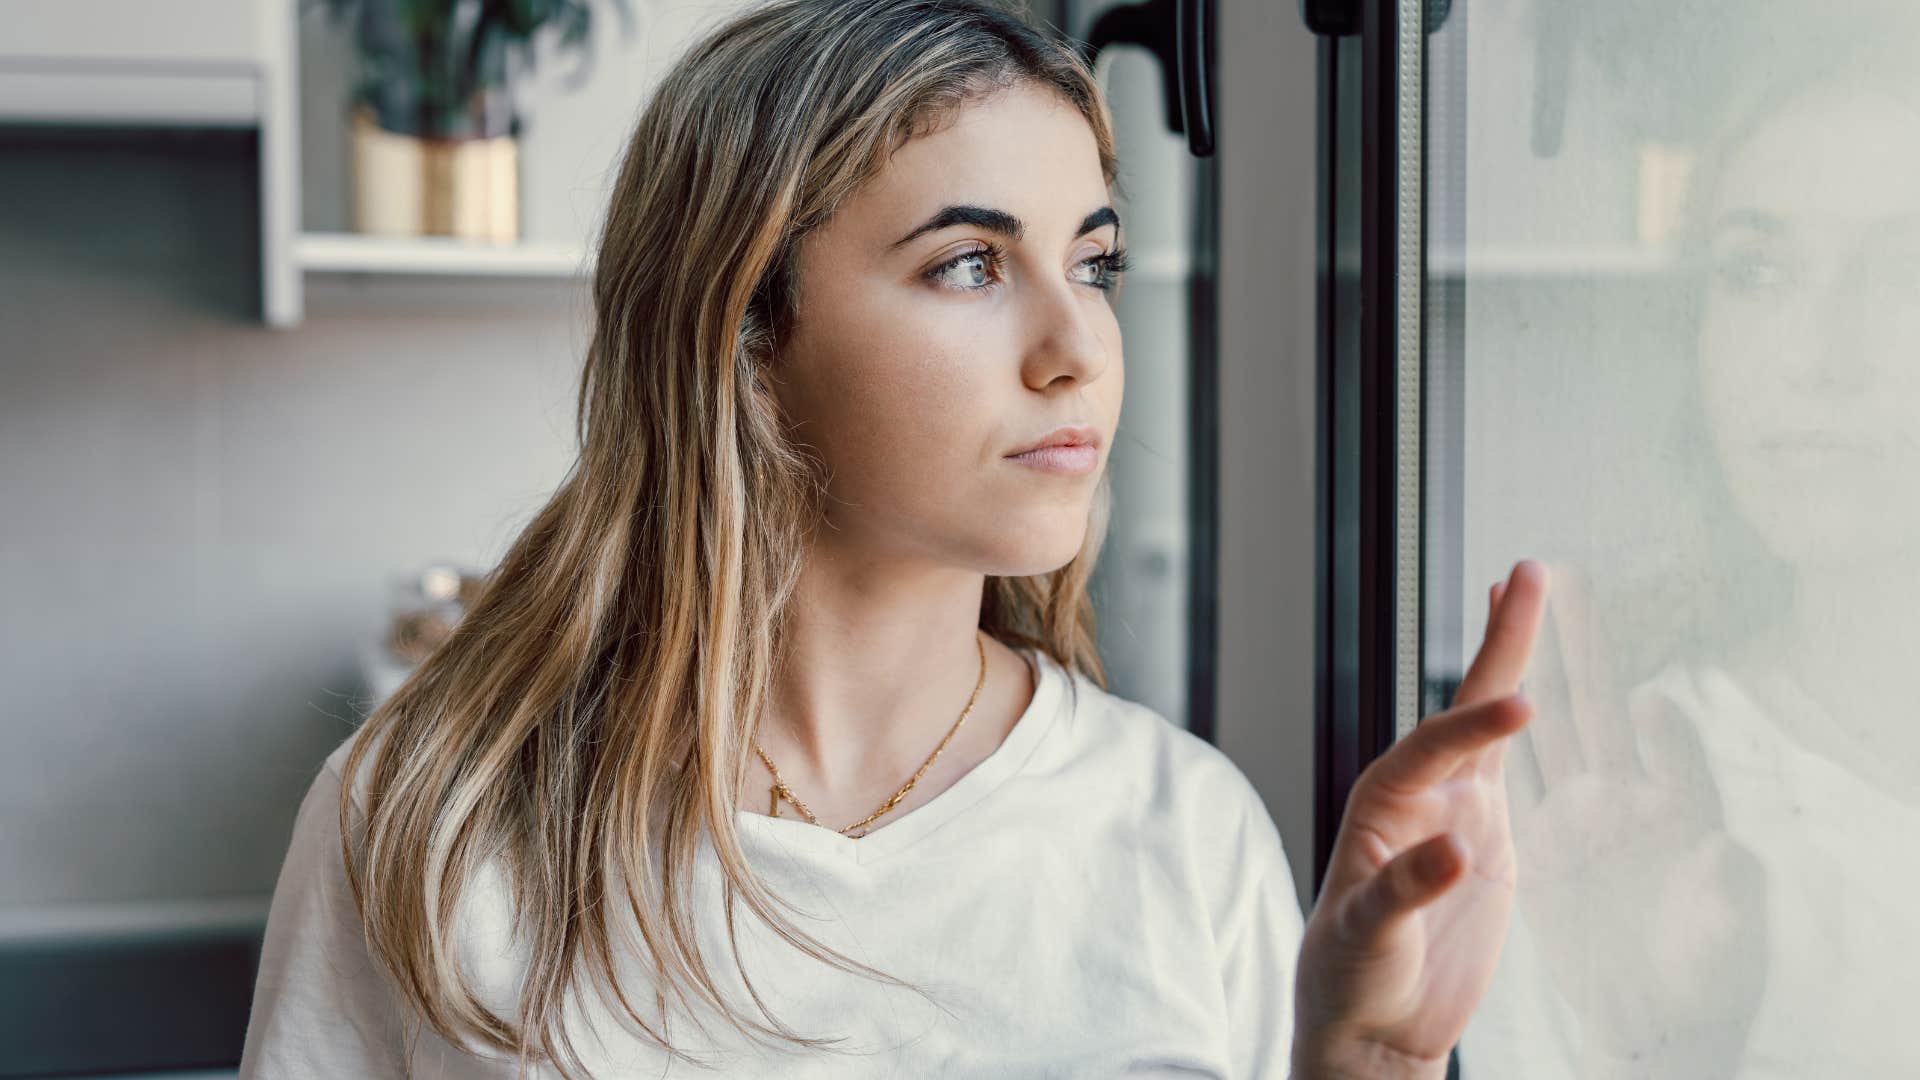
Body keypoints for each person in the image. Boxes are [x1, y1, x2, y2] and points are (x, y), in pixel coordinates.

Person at [237, 0, 1548, 1076]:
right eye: (970, 264)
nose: (1077, 349)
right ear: (749, 337)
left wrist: (1357, 1071)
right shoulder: (425, 827)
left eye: (1094, 264)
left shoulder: (1183, 832)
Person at [1463, 32, 1920, 1080]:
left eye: (1904, 271)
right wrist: (1658, 1050)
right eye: (1756, 270)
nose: (1819, 353)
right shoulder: (1610, 805)